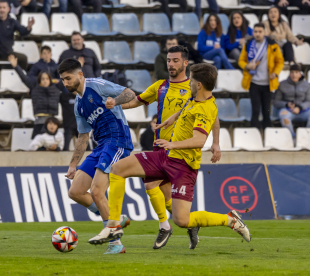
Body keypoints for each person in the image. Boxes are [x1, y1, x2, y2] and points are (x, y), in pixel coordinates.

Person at [88, 63, 251, 249]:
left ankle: (229, 220)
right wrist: (172, 118)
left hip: (184, 167)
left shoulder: (206, 108)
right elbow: (186, 109)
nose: (189, 82)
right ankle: (113, 226)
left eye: (192, 80)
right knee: (118, 169)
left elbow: (198, 140)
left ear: (199, 85)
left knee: (182, 220)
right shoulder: (196, 97)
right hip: (167, 157)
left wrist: (173, 143)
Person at [120, 45, 221, 250]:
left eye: (175, 60)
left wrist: (216, 142)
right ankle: (187, 224)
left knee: (150, 186)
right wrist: (113, 105)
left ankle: (166, 226)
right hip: (160, 146)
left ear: (185, 63)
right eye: (168, 60)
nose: (171, 64)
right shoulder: (160, 86)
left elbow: (213, 116)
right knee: (165, 197)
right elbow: (138, 101)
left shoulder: (196, 88)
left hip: (179, 152)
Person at [58, 58, 136, 254]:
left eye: (68, 78)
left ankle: (115, 243)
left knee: (97, 191)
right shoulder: (78, 105)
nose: (65, 83)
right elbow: (83, 136)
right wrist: (73, 164)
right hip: (101, 146)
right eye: (63, 80)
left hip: (117, 140)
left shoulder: (98, 86)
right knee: (75, 191)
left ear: (80, 74)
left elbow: (129, 93)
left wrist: (115, 101)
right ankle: (115, 218)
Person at [239, 23, 284, 130]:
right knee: (255, 111)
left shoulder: (273, 45)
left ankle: (267, 136)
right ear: (253, 32)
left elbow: (280, 61)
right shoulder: (248, 44)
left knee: (267, 111)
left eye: (260, 32)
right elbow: (241, 61)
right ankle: (254, 135)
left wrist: (276, 73)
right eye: (255, 32)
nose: (258, 34)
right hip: (254, 83)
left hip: (268, 84)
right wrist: (247, 66)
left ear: (264, 32)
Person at [9, 54, 61, 138]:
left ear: (50, 79)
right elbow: (24, 78)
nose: (45, 81)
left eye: (47, 78)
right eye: (42, 79)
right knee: (36, 143)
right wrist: (16, 67)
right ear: (39, 80)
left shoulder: (56, 87)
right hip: (39, 120)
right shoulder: (34, 86)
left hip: (52, 120)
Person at [274, 64, 310, 137]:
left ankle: (306, 136)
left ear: (300, 74)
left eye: (296, 72)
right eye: (292, 72)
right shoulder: (282, 84)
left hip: (303, 110)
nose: (294, 75)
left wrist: (299, 108)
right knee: (283, 115)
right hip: (288, 110)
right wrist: (286, 104)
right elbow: (276, 102)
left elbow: (309, 102)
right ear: (289, 73)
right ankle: (292, 137)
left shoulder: (306, 85)